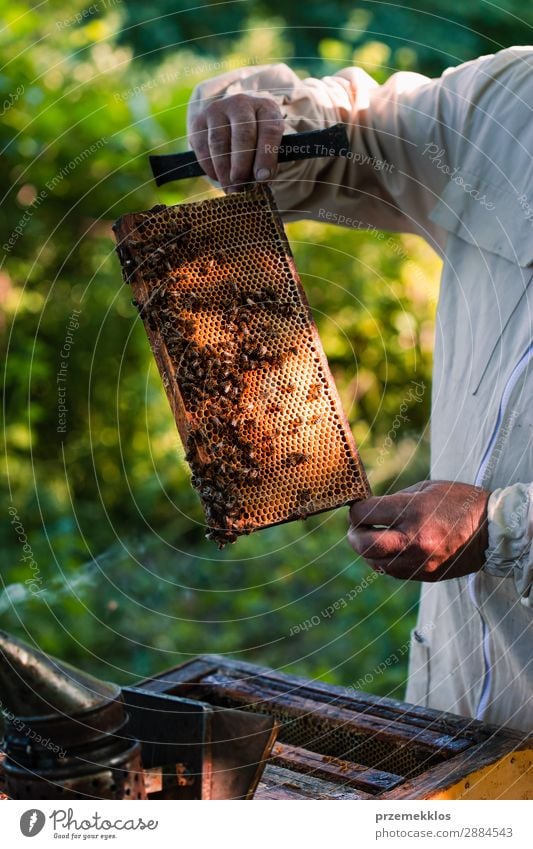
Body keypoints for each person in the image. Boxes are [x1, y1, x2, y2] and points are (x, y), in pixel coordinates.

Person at [187, 47, 533, 733]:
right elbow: (352, 135)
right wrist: (257, 119)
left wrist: (502, 529)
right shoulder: (509, 100)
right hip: (452, 695)